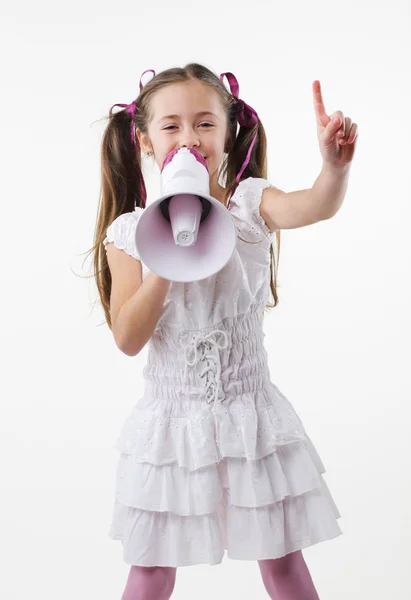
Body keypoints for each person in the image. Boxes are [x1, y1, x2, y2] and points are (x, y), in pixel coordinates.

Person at [92, 63, 357, 600]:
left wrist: (334, 169)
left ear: (230, 131)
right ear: (143, 138)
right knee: (151, 569)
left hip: (250, 418)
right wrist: (169, 253)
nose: (189, 139)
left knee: (281, 562)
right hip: (171, 427)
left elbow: (316, 204)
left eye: (205, 124)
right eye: (170, 126)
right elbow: (127, 337)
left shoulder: (250, 208)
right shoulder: (129, 235)